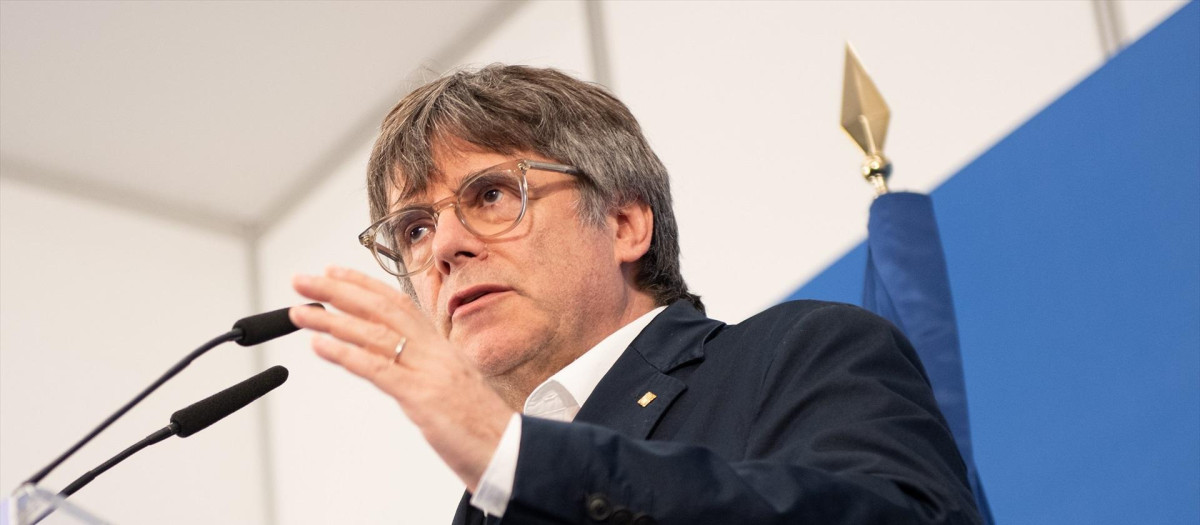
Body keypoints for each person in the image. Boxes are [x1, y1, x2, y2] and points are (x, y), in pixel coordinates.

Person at [288, 65, 982, 525]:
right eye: (413, 228)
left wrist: (521, 458)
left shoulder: (800, 353)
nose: (444, 248)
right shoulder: (482, 506)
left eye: (491, 194)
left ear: (624, 222)